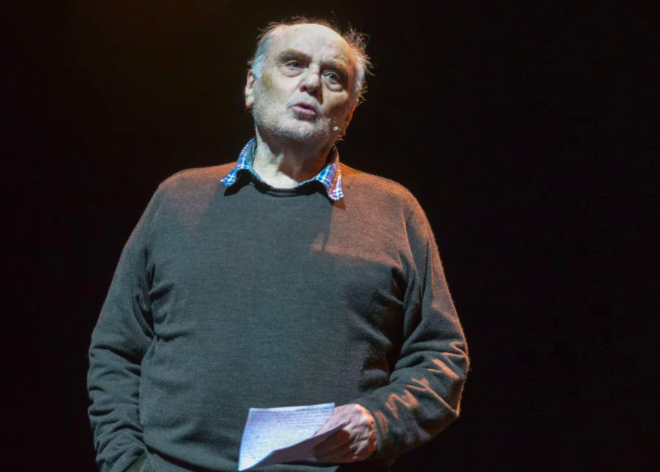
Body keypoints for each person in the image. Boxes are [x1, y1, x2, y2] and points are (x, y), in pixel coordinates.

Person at [87, 18, 469, 472]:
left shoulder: (393, 210)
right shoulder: (178, 199)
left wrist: (379, 421)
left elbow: (442, 356)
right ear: (252, 86)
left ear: (347, 115)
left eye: (333, 76)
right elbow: (116, 350)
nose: (312, 83)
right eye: (293, 64)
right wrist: (127, 464)